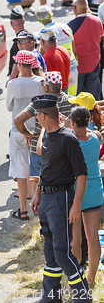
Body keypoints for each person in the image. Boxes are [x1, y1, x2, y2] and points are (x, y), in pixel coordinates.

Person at [30, 94, 91, 303]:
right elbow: (45, 166)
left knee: (62, 252)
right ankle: (51, 297)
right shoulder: (47, 135)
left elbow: (82, 174)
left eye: (37, 115)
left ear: (43, 115)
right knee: (50, 252)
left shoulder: (68, 139)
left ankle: (83, 297)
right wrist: (38, 192)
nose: (36, 118)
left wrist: (76, 206)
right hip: (46, 199)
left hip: (61, 198)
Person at [14, 72, 73, 200]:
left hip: (39, 147)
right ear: (61, 86)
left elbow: (18, 120)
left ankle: (39, 207)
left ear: (46, 87)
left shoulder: (39, 103)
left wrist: (26, 133)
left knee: (37, 179)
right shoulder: (70, 100)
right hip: (61, 148)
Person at [65, 106, 103, 284]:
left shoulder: (70, 140)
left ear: (72, 121)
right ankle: (92, 278)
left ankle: (75, 281)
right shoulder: (97, 136)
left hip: (76, 194)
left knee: (76, 240)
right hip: (95, 191)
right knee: (93, 237)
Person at [6, 50, 44, 220]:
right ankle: (39, 210)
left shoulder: (13, 84)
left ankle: (22, 210)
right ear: (34, 65)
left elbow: (9, 107)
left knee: (20, 171)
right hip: (36, 131)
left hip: (18, 131)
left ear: (20, 65)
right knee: (37, 169)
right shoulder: (41, 82)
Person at [36, 5, 78, 95]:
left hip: (59, 73)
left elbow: (42, 55)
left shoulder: (43, 33)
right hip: (72, 66)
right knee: (72, 100)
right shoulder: (65, 27)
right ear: (51, 15)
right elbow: (73, 48)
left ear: (39, 20)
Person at [68, 0, 104, 100]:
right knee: (94, 96)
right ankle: (97, 115)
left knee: (79, 97)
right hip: (94, 64)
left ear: (74, 8)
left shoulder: (71, 25)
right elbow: (101, 39)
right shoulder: (97, 21)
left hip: (79, 65)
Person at [39, 29, 71, 94]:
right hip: (65, 88)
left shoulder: (47, 57)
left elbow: (44, 79)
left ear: (42, 42)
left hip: (54, 92)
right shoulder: (64, 50)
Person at [7, 8, 25, 78]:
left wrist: (11, 78)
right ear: (24, 21)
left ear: (11, 24)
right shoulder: (30, 38)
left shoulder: (17, 43)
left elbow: (17, 62)